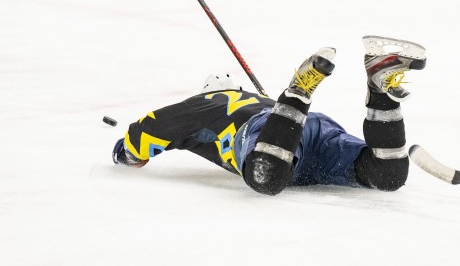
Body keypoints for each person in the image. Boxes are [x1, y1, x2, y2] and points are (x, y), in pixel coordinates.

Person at [112, 35, 426, 195]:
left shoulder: (204, 105)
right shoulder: (255, 99)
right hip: (311, 130)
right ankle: (380, 87)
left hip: (270, 130)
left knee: (266, 178)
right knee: (387, 176)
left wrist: (124, 154)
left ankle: (297, 94)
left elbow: (141, 137)